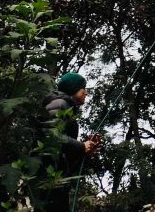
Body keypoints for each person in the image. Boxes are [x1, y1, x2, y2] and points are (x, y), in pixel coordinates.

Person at [38, 72, 99, 212]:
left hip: (56, 177)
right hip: (48, 177)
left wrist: (84, 151)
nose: (86, 92)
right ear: (74, 89)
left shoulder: (65, 106)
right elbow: (50, 135)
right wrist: (80, 145)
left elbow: (63, 150)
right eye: (83, 87)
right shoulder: (59, 103)